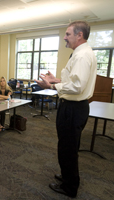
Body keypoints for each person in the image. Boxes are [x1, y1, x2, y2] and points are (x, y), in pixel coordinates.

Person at [35, 21, 97, 198]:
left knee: (67, 148)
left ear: (79, 35)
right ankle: (68, 176)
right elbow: (75, 81)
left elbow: (77, 87)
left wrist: (52, 86)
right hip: (75, 107)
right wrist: (56, 80)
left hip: (73, 108)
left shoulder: (81, 56)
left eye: (68, 34)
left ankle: (70, 187)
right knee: (69, 146)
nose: (64, 37)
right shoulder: (81, 53)